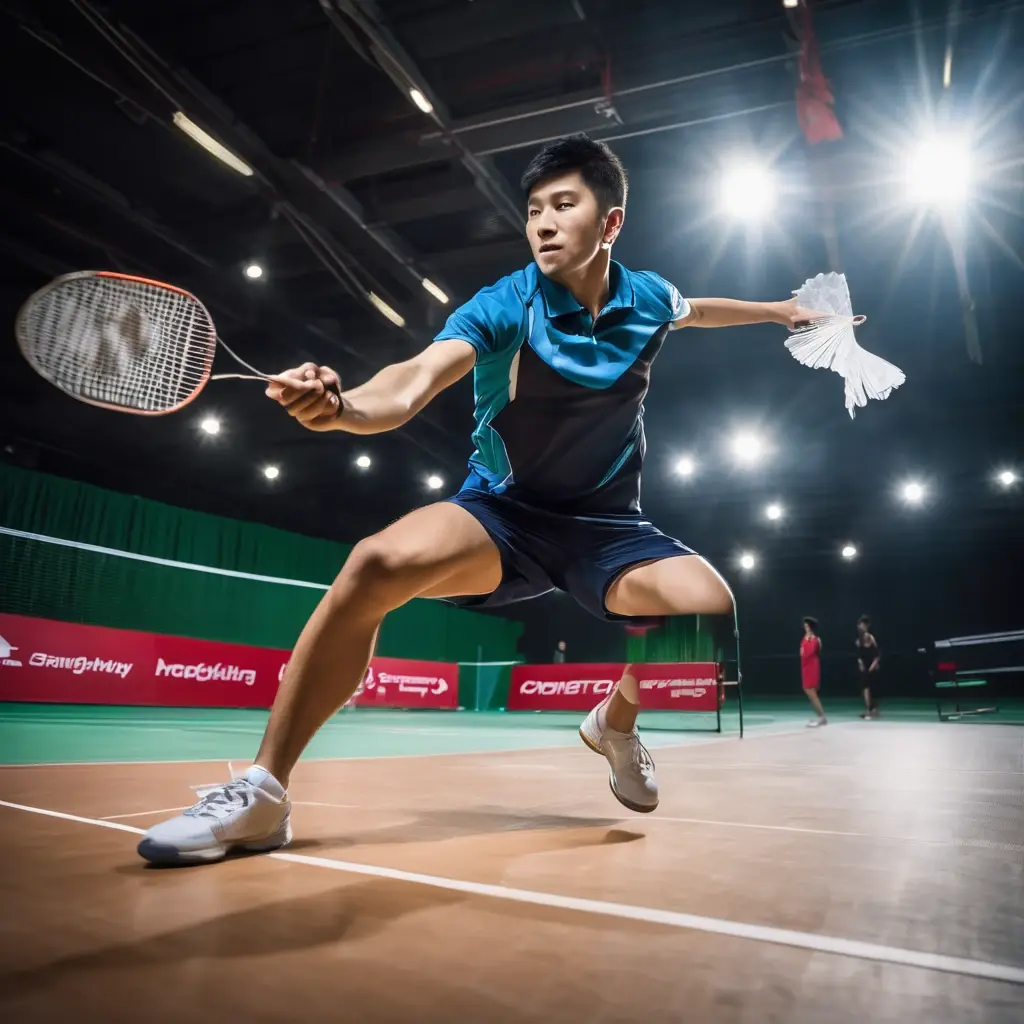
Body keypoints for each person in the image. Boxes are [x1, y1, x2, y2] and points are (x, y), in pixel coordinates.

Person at [138, 133, 822, 865]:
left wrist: (779, 310)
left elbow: (698, 311)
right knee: (376, 562)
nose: (545, 224)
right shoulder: (506, 304)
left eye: (565, 205)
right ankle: (263, 795)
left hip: (608, 530)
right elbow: (410, 381)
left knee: (708, 607)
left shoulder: (646, 296)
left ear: (611, 223)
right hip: (503, 516)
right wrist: (342, 408)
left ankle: (614, 726)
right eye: (534, 212)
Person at [800, 616, 826, 727]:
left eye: (807, 626)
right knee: (808, 692)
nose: (805, 628)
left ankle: (822, 717)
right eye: (805, 626)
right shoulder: (804, 639)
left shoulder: (815, 640)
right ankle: (820, 716)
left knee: (812, 692)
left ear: (811, 627)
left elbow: (811, 652)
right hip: (805, 667)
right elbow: (801, 653)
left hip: (812, 667)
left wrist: (808, 640)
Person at [856, 614, 880, 718]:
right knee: (865, 687)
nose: (860, 627)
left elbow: (877, 655)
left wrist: (872, 666)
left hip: (872, 665)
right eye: (859, 625)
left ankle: (874, 709)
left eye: (862, 625)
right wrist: (860, 663)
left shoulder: (871, 638)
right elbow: (858, 655)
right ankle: (868, 709)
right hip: (864, 666)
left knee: (873, 688)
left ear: (866, 626)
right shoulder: (858, 640)